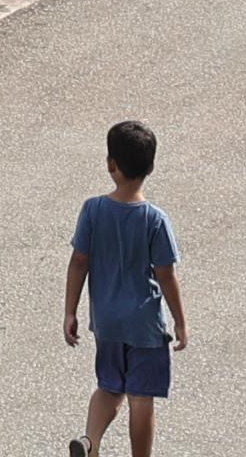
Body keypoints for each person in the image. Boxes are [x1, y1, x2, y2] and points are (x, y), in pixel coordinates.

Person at [62, 113, 187, 456]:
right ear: (151, 166)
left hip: (107, 323)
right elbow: (166, 275)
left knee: (108, 387)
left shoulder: (93, 210)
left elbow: (79, 262)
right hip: (144, 325)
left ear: (110, 164)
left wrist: (70, 311)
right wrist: (180, 321)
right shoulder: (154, 220)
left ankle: (90, 441)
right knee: (141, 396)